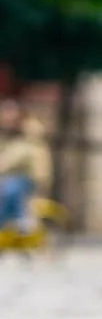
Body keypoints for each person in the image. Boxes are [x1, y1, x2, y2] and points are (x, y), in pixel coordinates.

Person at [0, 99, 50, 235]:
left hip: (26, 178)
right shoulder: (4, 134)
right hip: (6, 177)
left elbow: (17, 157)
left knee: (11, 188)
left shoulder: (29, 135)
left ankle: (22, 221)